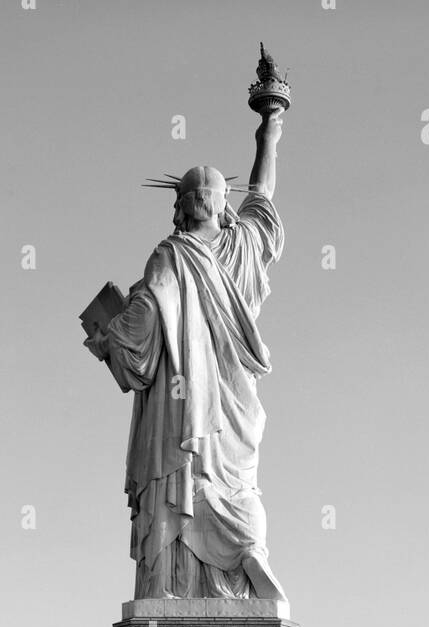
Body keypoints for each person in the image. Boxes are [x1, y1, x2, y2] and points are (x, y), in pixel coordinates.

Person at [85, 113, 287, 602]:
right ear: (222, 209)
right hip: (229, 409)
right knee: (235, 488)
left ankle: (173, 585)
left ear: (180, 209)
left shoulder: (171, 256)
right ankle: (241, 558)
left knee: (183, 480)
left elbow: (141, 328)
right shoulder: (238, 250)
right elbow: (262, 199)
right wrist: (270, 130)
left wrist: (107, 332)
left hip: (181, 411)